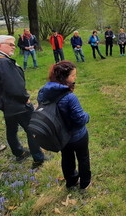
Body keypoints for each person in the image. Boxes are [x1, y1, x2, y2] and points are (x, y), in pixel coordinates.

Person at [0, 35, 45, 168]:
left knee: (11, 129)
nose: (14, 46)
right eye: (10, 44)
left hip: (4, 103)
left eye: (14, 44)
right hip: (17, 103)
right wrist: (25, 99)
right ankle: (38, 159)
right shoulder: (2, 62)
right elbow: (14, 86)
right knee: (32, 129)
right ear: (0, 45)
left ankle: (18, 153)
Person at [37, 61, 91, 189]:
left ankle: (71, 182)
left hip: (60, 135)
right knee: (83, 157)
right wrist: (87, 116)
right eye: (73, 75)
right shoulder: (69, 97)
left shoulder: (43, 92)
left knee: (66, 157)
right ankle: (85, 183)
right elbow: (79, 119)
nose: (75, 78)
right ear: (64, 78)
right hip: (77, 136)